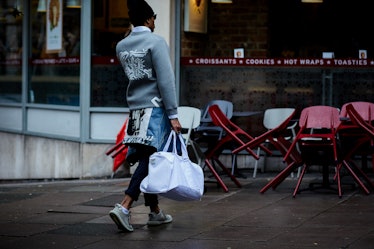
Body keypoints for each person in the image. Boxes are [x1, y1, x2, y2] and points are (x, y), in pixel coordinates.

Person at [109, 0, 182, 232]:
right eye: (154, 19)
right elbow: (166, 81)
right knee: (151, 159)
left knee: (147, 158)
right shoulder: (156, 42)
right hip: (156, 109)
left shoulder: (122, 46)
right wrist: (173, 114)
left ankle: (155, 212)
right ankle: (125, 206)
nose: (154, 23)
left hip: (136, 110)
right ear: (149, 19)